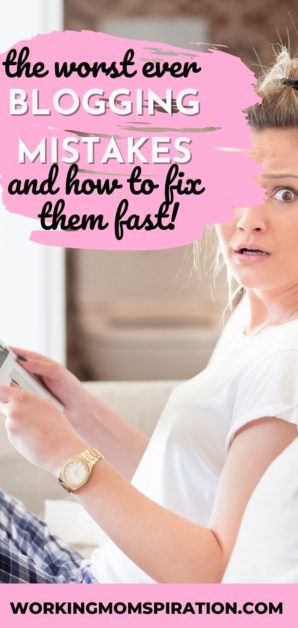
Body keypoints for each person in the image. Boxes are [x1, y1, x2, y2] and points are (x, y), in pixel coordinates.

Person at [0, 46, 298, 584]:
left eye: (286, 194)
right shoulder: (253, 317)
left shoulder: (287, 363)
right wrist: (77, 406)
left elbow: (211, 577)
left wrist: (68, 459)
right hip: (86, 567)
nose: (249, 221)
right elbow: (183, 489)